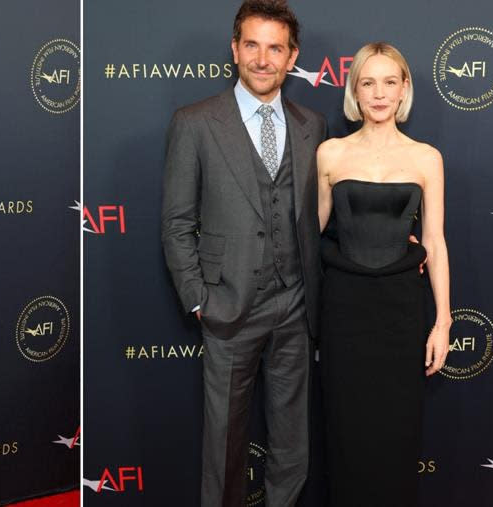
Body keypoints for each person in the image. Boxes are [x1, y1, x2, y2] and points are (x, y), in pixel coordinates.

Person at [161, 1, 326, 505]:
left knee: (293, 445)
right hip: (227, 308)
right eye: (251, 45)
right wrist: (198, 297)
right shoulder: (195, 122)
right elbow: (176, 221)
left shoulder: (312, 125)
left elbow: (325, 212)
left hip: (296, 308)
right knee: (224, 445)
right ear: (235, 50)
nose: (262, 58)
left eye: (275, 48)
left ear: (291, 56)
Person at [316, 42, 451, 506]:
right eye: (368, 82)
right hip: (343, 311)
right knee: (346, 433)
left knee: (396, 433)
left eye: (389, 81)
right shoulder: (329, 154)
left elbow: (433, 242)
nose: (379, 93)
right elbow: (309, 234)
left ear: (404, 88)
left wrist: (443, 322)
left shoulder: (427, 158)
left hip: (400, 312)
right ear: (355, 90)